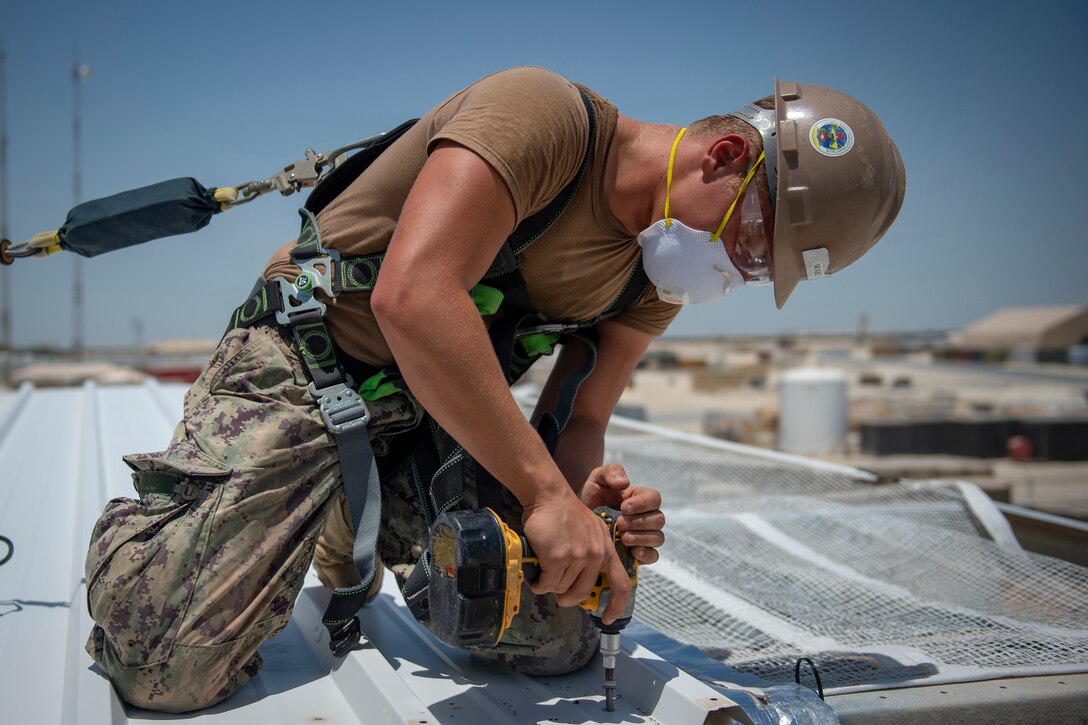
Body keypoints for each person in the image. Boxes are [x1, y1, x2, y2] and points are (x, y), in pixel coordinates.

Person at [83, 66, 905, 712]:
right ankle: (178, 526)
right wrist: (544, 493)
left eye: (763, 272)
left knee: (560, 629)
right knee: (166, 669)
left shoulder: (653, 279)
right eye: (756, 244)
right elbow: (414, 297)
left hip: (430, 417)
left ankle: (344, 516)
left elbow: (580, 420)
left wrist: (593, 506)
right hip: (304, 364)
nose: (741, 273)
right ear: (724, 157)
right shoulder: (545, 117)